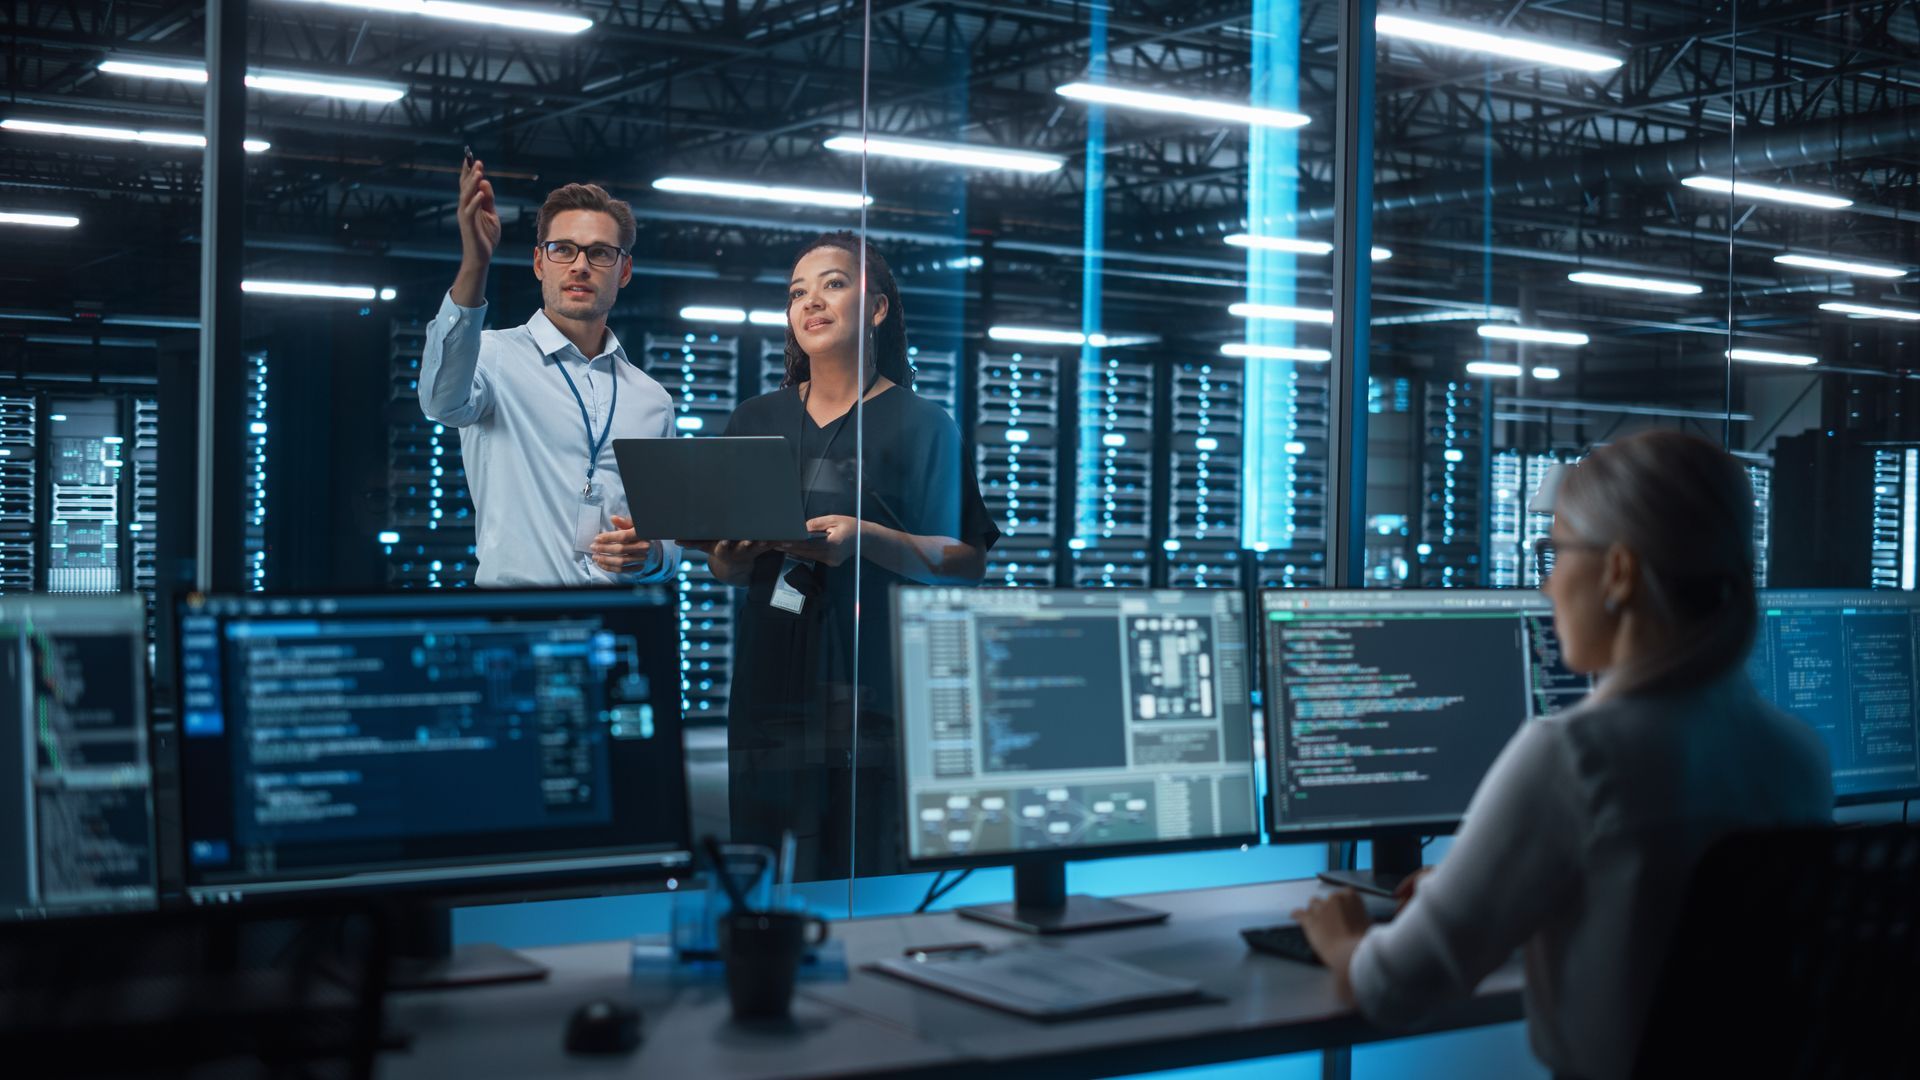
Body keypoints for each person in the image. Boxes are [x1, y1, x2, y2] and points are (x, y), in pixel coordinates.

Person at [1294, 430, 1831, 1080]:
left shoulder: (1575, 757)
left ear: (1619, 572)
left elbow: (1398, 988)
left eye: (1556, 552)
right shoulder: (1798, 758)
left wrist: (1344, 938)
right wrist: (1493, 885)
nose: (1547, 587)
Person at [691, 232, 1000, 881]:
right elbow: (727, 568)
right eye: (798, 292)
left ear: (878, 308)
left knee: (858, 863)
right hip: (770, 677)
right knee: (757, 858)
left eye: (833, 284)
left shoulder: (923, 425)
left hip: (874, 687)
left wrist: (867, 537)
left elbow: (967, 559)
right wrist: (732, 555)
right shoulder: (755, 418)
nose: (812, 303)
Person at [418, 154, 676, 587]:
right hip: (515, 623)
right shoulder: (492, 357)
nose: (580, 265)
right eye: (563, 250)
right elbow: (440, 401)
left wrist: (650, 555)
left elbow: (669, 545)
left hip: (612, 625)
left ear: (624, 270)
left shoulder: (652, 400)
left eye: (599, 253)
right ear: (540, 263)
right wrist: (476, 263)